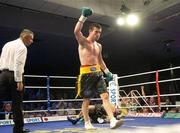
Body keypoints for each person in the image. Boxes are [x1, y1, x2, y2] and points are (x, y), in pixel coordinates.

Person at [74, 7, 123, 129]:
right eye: (96, 32)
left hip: (98, 73)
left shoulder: (99, 46)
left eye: (100, 32)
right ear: (90, 31)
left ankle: (112, 120)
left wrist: (107, 72)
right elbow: (76, 31)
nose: (98, 34)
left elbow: (100, 60)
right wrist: (83, 17)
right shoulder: (83, 42)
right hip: (86, 73)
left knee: (105, 97)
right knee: (86, 100)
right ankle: (86, 122)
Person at [0, 29, 34, 133]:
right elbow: (18, 64)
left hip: (3, 74)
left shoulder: (7, 44)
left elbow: (1, 59)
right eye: (31, 38)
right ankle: (18, 129)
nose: (32, 41)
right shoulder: (22, 47)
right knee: (17, 103)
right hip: (14, 75)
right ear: (25, 37)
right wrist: (19, 80)